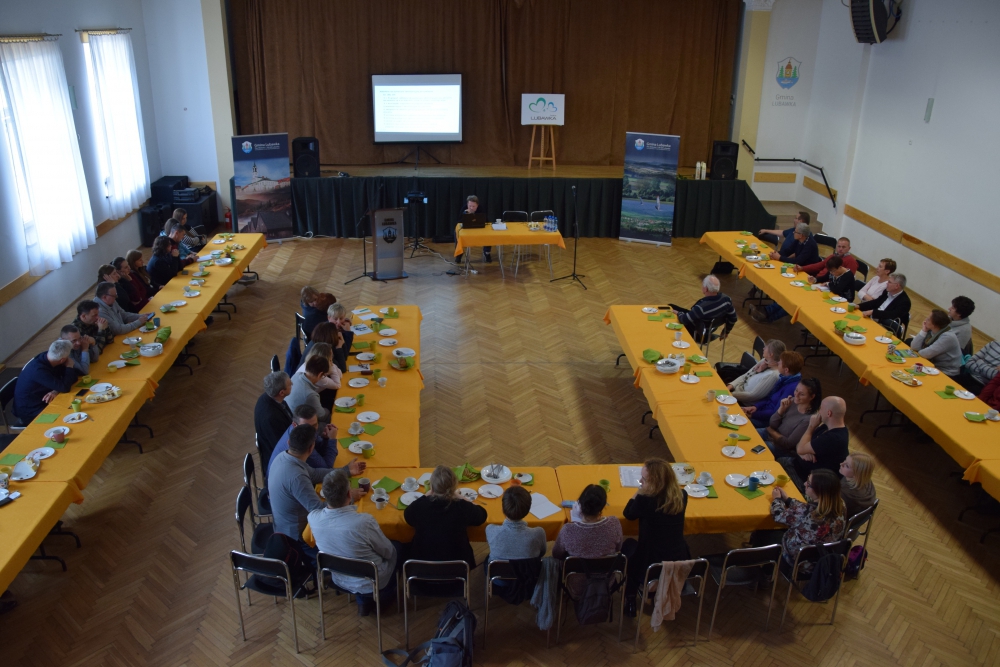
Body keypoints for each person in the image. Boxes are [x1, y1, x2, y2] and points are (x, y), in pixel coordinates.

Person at [308, 470, 398, 616]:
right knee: (397, 547)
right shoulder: (364, 522)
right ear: (350, 494)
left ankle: (363, 603)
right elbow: (387, 552)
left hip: (340, 577)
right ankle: (385, 597)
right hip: (371, 580)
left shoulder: (313, 518)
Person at [621, 459, 690, 614]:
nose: (641, 481)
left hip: (651, 561)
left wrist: (640, 490)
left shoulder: (645, 500)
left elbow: (628, 514)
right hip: (677, 558)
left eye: (644, 479)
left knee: (629, 546)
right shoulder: (682, 495)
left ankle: (630, 598)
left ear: (655, 483)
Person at [403, 466, 488, 570]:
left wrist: (425, 496)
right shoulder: (463, 507)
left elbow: (408, 516)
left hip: (423, 568)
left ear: (432, 487)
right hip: (457, 569)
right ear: (454, 486)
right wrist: (462, 497)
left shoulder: (420, 507)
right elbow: (482, 516)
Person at [267, 424, 332, 557]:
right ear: (311, 448)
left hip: (282, 526)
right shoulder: (297, 476)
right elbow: (319, 511)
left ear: (288, 442)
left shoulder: (283, 456)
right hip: (296, 539)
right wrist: (348, 498)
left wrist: (345, 471)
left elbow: (314, 474)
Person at [768, 469, 846, 574]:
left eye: (809, 484)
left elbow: (778, 515)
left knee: (765, 533)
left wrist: (777, 499)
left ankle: (767, 572)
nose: (805, 484)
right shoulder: (841, 504)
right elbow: (803, 508)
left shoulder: (809, 513)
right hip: (824, 557)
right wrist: (788, 500)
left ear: (819, 491)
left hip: (799, 562)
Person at [778, 396, 850, 492]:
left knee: (776, 469)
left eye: (821, 408)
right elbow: (800, 445)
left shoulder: (834, 438)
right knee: (778, 460)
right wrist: (803, 452)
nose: (818, 412)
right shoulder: (827, 427)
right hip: (799, 465)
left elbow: (800, 448)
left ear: (828, 413)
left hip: (806, 481)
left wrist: (811, 426)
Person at [267, 404, 357, 476]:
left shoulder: (302, 430)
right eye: (308, 426)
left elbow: (320, 451)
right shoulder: (300, 442)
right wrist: (332, 440)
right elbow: (327, 468)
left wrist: (326, 439)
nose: (312, 430)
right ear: (294, 425)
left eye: (315, 425)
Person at [12, 340, 80, 424]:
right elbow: (65, 387)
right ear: (62, 360)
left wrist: (56, 390)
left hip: (42, 399)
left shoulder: (49, 357)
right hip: (30, 410)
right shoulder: (38, 370)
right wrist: (69, 366)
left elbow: (72, 378)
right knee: (67, 416)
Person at [553, 485, 623, 560]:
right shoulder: (614, 523)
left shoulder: (568, 530)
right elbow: (618, 548)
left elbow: (557, 554)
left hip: (577, 566)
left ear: (581, 504)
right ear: (603, 505)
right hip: (607, 566)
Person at [761, 377, 822, 457]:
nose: (796, 395)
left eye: (802, 394)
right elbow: (772, 424)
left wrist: (771, 431)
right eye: (796, 390)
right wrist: (781, 409)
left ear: (812, 397)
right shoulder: (792, 401)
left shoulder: (808, 419)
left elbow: (787, 443)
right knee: (750, 434)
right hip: (770, 435)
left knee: (755, 447)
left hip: (780, 448)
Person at [743, 351, 804, 428]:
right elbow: (769, 398)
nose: (778, 363)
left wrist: (753, 415)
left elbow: (775, 412)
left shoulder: (792, 388)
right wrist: (755, 407)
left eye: (780, 362)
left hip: (766, 421)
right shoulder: (784, 378)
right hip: (760, 412)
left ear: (786, 370)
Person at [674, 275, 737, 341]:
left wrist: (678, 313)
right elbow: (733, 318)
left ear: (706, 289)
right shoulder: (726, 300)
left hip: (696, 332)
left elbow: (683, 320)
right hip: (710, 329)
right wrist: (726, 331)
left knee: (671, 308)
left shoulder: (702, 307)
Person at [254, 371, 294, 467]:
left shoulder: (267, 397)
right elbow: (284, 446)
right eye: (289, 384)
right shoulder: (271, 418)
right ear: (281, 392)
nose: (292, 383)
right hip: (280, 460)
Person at [728, 339, 786, 404]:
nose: (763, 348)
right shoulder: (764, 361)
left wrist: (730, 394)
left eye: (766, 347)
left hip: (743, 402)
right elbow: (745, 376)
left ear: (771, 354)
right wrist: (730, 386)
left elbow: (752, 396)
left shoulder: (773, 376)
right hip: (736, 390)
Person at [910, 310, 964, 378]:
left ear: (935, 325)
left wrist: (920, 350)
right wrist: (923, 331)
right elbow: (914, 347)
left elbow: (926, 354)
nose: (925, 320)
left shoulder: (948, 337)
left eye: (928, 319)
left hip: (946, 372)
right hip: (931, 366)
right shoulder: (932, 331)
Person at [286, 355, 332, 422]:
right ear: (320, 374)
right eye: (324, 376)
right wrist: (328, 410)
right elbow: (321, 416)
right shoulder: (310, 395)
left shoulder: (297, 375)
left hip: (288, 414)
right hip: (297, 423)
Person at [840, 452, 877, 519]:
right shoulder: (866, 480)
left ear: (856, 474)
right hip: (858, 516)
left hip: (844, 519)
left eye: (847, 466)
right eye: (845, 460)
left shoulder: (843, 492)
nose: (841, 464)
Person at [460, 194, 491, 262]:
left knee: (488, 234)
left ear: (477, 205)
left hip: (479, 228)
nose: (471, 208)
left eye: (473, 206)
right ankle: (459, 254)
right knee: (457, 234)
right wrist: (466, 214)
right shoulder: (464, 208)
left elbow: (486, 221)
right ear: (467, 204)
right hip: (467, 230)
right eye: (469, 206)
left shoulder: (481, 208)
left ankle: (487, 253)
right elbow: (459, 222)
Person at [327, 304, 354, 372]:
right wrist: (348, 332)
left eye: (341, 318)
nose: (338, 322)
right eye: (335, 319)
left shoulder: (336, 328)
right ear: (328, 318)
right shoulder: (328, 334)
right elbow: (345, 356)